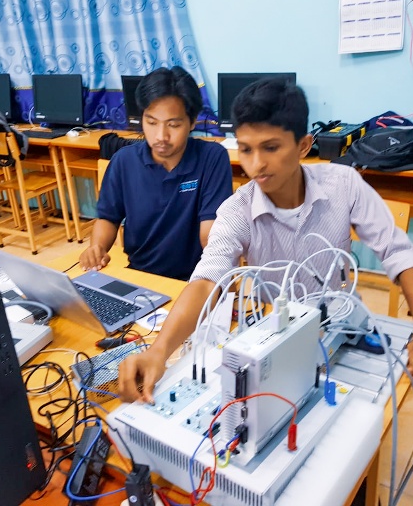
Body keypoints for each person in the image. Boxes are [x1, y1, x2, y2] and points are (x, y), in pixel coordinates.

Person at [118, 77, 413, 403]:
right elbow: (207, 280)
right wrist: (158, 351)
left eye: (270, 148)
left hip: (339, 329)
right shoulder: (237, 210)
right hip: (272, 339)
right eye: (246, 149)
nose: (256, 164)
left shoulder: (343, 184)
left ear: (303, 146)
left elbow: (399, 253)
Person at [79, 66, 233, 281]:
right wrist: (97, 248)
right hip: (140, 275)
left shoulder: (211, 158)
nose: (161, 136)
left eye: (173, 125)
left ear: (192, 122)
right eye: (151, 122)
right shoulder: (124, 161)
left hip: (195, 278)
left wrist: (215, 278)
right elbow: (108, 218)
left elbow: (210, 234)